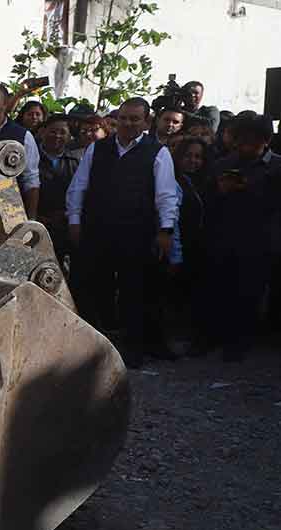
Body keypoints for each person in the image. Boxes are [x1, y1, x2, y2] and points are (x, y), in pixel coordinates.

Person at [66, 97, 180, 369]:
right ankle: (93, 349)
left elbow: (166, 195)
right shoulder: (97, 149)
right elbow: (78, 186)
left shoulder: (157, 153)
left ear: (146, 122)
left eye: (134, 119)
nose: (128, 124)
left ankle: (134, 348)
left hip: (137, 233)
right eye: (124, 118)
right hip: (98, 230)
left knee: (134, 292)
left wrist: (166, 230)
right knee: (96, 289)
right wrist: (74, 220)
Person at [201, 116, 280, 361]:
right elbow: (206, 199)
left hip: (259, 240)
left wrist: (250, 188)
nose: (242, 147)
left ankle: (239, 342)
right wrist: (220, 191)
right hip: (223, 237)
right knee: (218, 289)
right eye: (239, 141)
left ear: (264, 142)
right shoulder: (223, 163)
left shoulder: (277, 167)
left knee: (249, 294)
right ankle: (212, 337)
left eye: (249, 142)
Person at [169, 137, 211, 353]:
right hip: (179, 248)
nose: (193, 161)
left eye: (198, 157)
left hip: (198, 249)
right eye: (188, 156)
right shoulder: (173, 180)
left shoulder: (200, 181)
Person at [0, 82, 41, 217]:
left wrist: (31, 217)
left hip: (9, 213)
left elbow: (31, 180)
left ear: (5, 103)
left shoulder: (23, 136)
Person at [36, 113, 82, 265]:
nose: (57, 136)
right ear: (43, 132)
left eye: (63, 132)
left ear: (69, 137)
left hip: (65, 225)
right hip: (37, 224)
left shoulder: (76, 162)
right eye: (53, 131)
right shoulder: (31, 158)